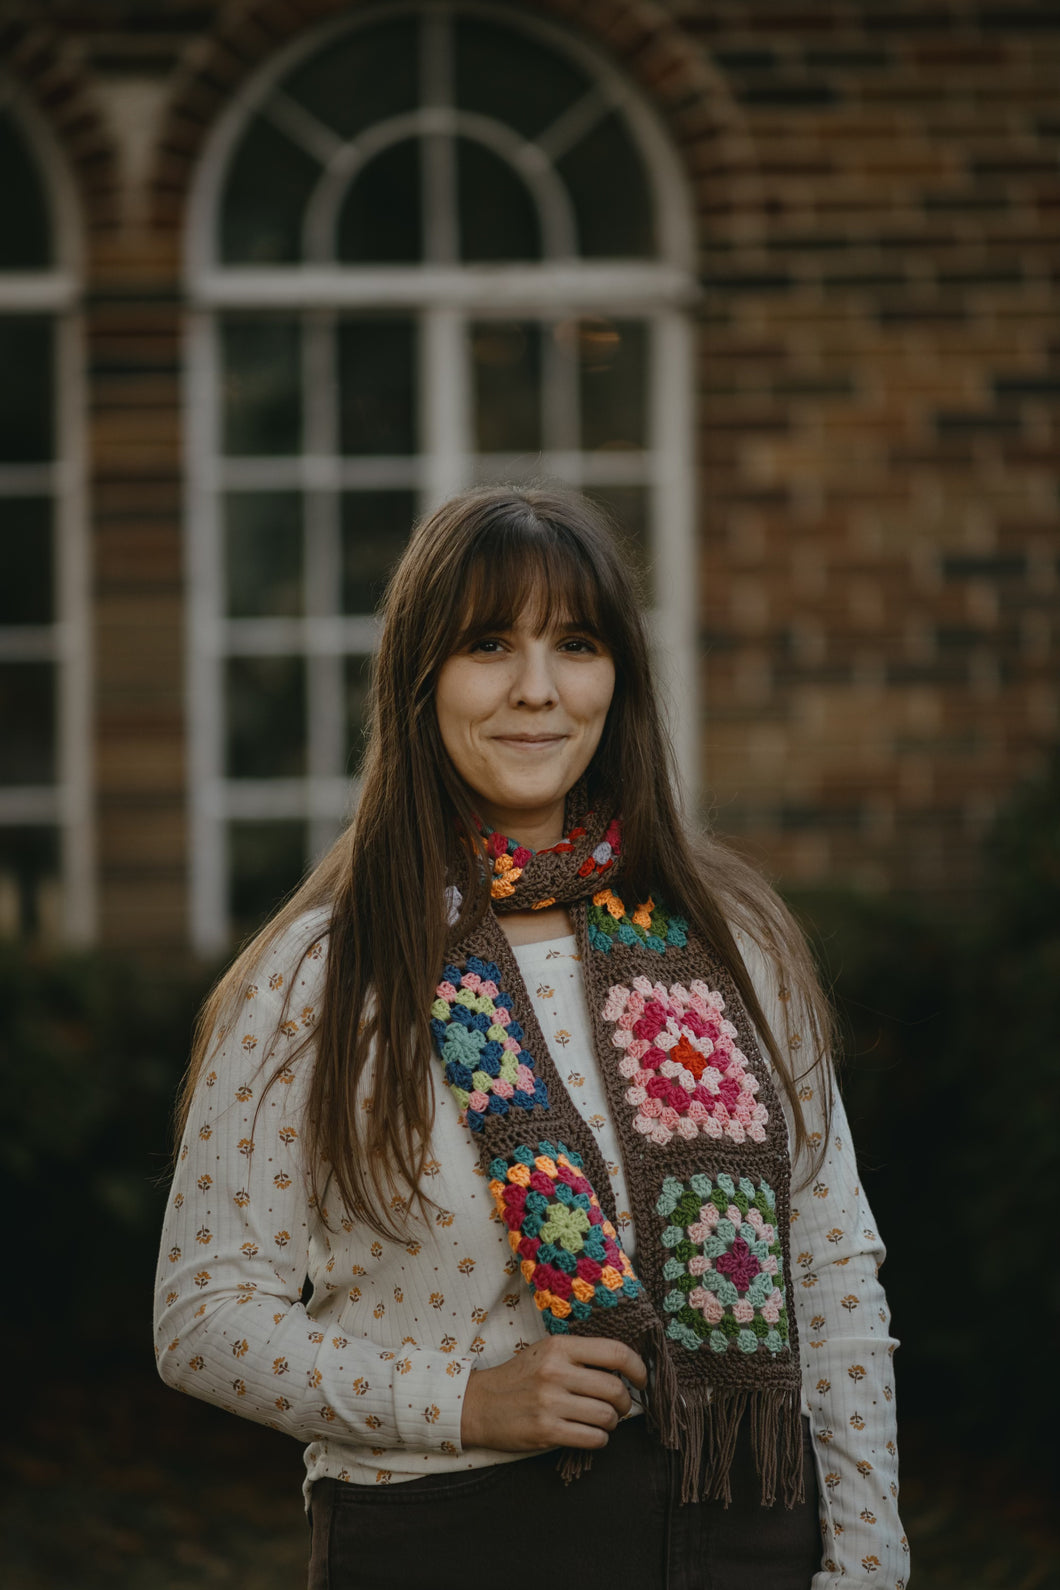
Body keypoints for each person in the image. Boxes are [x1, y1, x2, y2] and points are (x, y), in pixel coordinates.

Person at [154, 486, 907, 1590]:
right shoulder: (324, 973)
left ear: (620, 679)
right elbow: (203, 1319)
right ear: (421, 680)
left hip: (744, 1530)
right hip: (454, 1539)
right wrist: (463, 1398)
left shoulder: (729, 940)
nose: (536, 690)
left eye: (578, 643)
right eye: (488, 645)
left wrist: (869, 1562)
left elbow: (831, 1269)